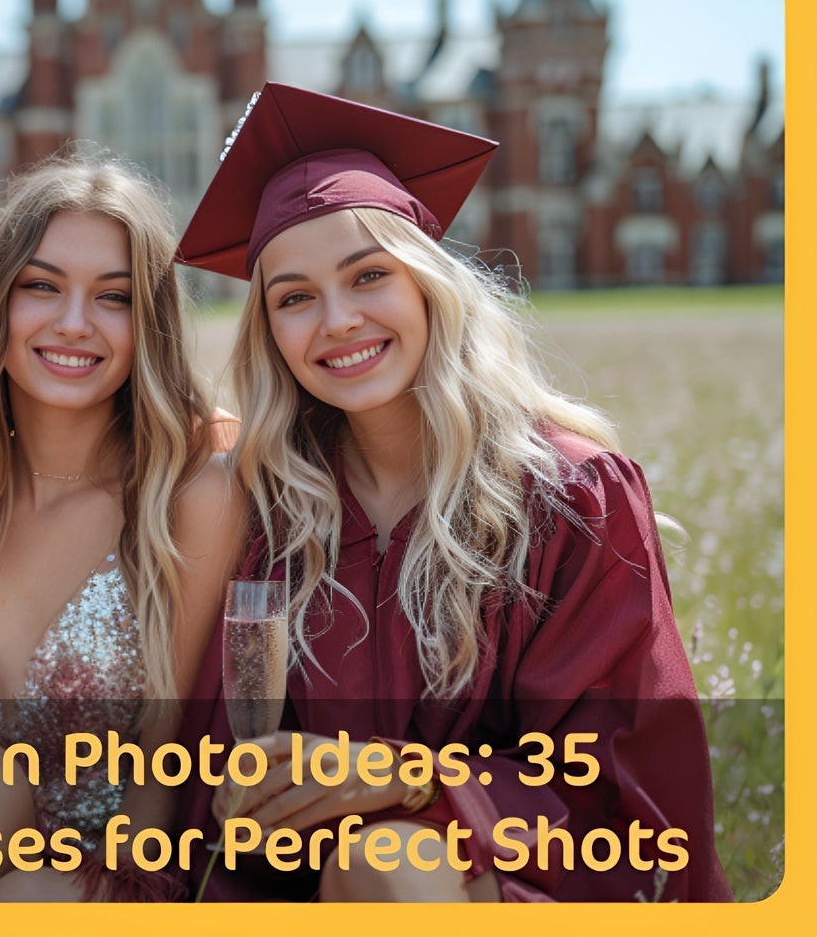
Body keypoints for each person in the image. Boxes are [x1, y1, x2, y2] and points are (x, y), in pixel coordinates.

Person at [174, 84, 731, 902]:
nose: (337, 321)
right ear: (269, 333)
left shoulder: (569, 496)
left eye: (369, 275)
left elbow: (627, 799)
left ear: (430, 284)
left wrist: (417, 785)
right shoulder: (266, 513)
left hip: (511, 889)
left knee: (388, 862)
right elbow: (207, 795)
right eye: (294, 298)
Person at [0, 151, 244, 902]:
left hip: (108, 879)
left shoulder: (192, 494)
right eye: (42, 286)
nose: (74, 323)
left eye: (114, 297)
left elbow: (160, 790)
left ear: (150, 322)